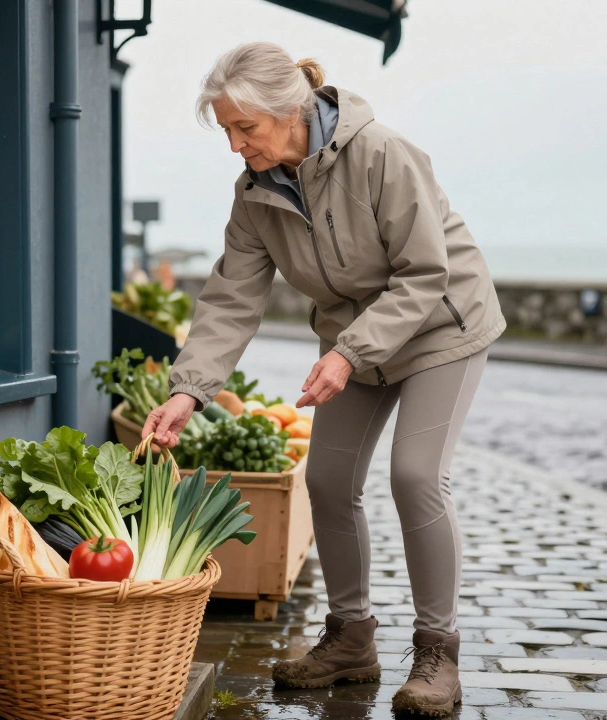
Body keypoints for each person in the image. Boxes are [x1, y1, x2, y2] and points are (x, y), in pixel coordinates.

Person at [141, 42, 505, 717]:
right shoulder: (255, 193)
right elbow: (230, 299)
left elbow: (425, 274)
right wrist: (188, 389)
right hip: (354, 339)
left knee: (416, 475)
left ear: (289, 113)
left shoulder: (383, 155)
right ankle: (349, 639)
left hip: (442, 325)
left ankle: (437, 654)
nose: (233, 145)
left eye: (243, 128)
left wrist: (347, 352)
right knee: (328, 481)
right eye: (225, 130)